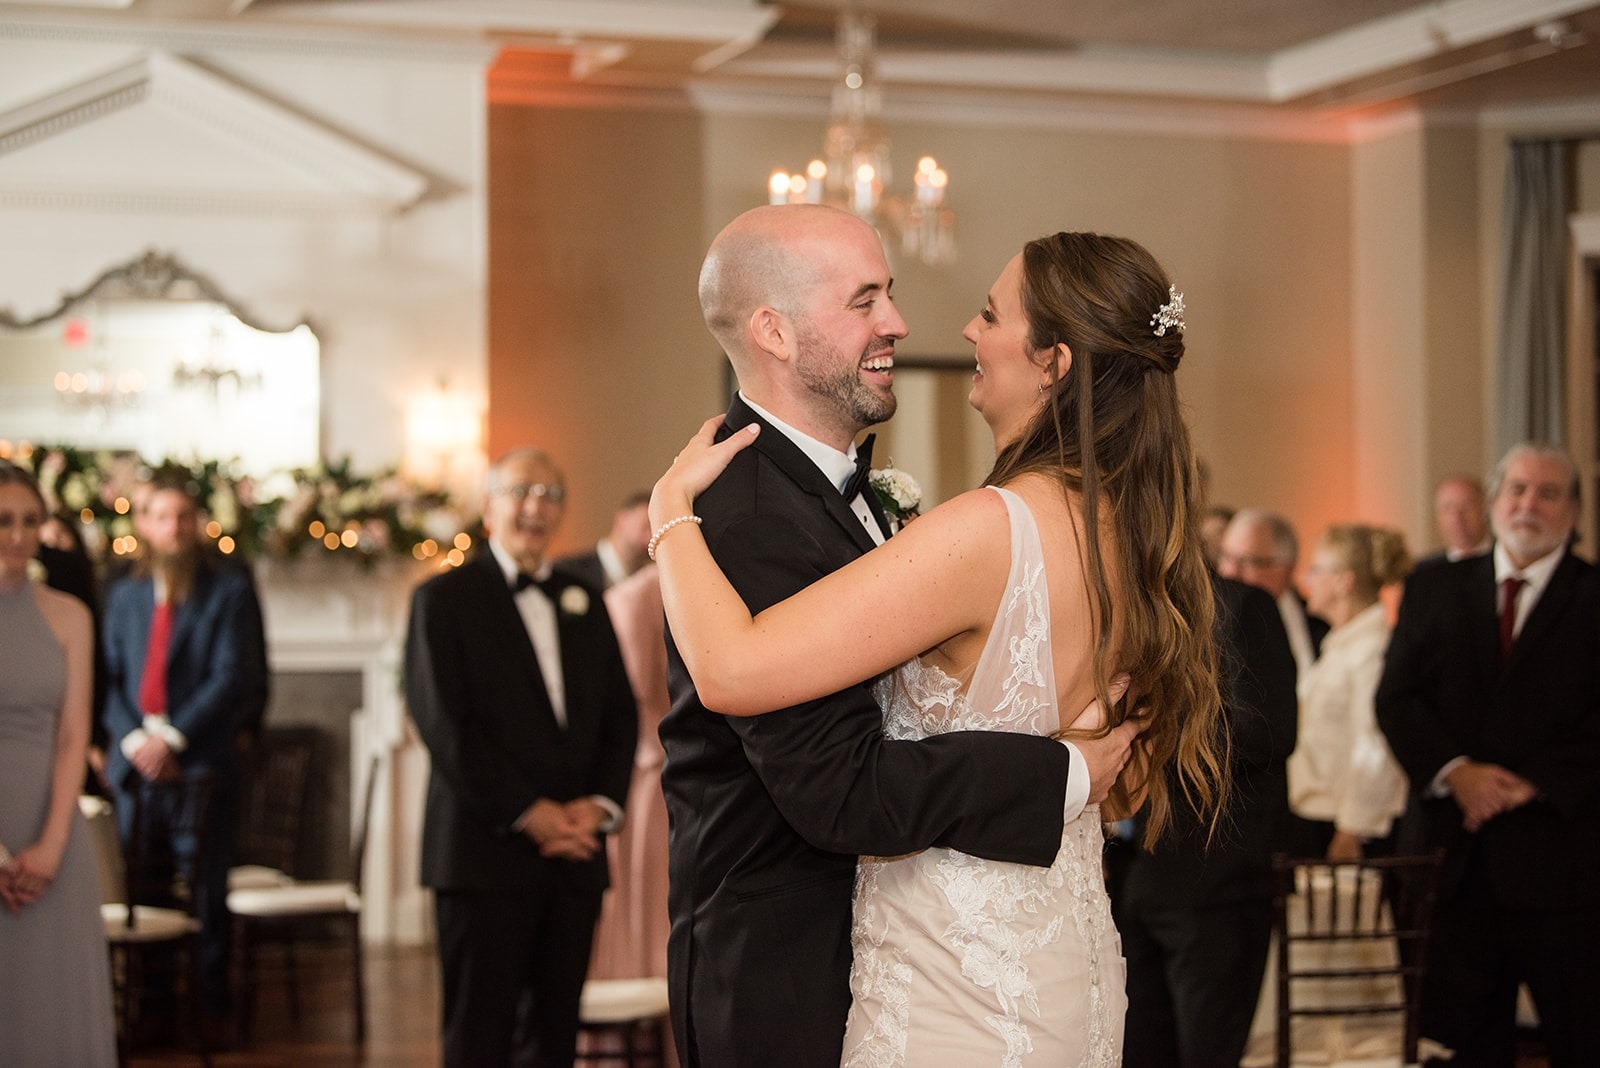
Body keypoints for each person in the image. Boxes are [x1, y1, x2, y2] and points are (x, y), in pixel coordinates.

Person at [653, 216, 1225, 1065]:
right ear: (772, 329)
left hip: (956, 976)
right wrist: (1068, 770)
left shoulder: (983, 528)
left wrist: (666, 516)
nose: (923, 325)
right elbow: (1126, 777)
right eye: (866, 299)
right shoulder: (1135, 530)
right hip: (1009, 957)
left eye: (991, 316)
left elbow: (735, 670)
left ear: (1054, 364)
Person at [405, 447, 638, 1068]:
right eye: (521, 491)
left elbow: (621, 714)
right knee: (479, 1035)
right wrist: (526, 812)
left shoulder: (582, 597)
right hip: (482, 855)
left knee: (555, 1035)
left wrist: (598, 806)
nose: (537, 506)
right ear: (489, 507)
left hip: (575, 856)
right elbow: (446, 728)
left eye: (552, 494)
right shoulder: (442, 601)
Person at [1376, 443, 1600, 1066]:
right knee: (1458, 1048)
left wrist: (1530, 784)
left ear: (1575, 510)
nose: (1529, 504)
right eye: (1517, 490)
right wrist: (1459, 774)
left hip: (1565, 870)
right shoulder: (1432, 586)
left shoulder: (1592, 594)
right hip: (1452, 871)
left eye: (1548, 493)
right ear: (1496, 499)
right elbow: (1397, 698)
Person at [1114, 572, 1297, 1067]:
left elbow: (1270, 731)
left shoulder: (1242, 605)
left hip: (1214, 877)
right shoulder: (1120, 603)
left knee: (1208, 1051)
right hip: (1135, 880)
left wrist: (1154, 724)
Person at [101, 473, 256, 1031]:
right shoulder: (122, 595)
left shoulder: (227, 589)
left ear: (198, 524)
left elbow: (230, 675)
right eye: (162, 517)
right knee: (137, 887)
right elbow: (110, 677)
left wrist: (171, 738)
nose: (173, 529)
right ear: (144, 524)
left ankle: (210, 1007)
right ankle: (150, 1003)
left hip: (199, 765)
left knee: (207, 890)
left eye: (184, 518)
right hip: (134, 769)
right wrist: (137, 740)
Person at [0, 461, 117, 1065]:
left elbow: (75, 734)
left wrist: (49, 846)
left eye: (29, 520)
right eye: (3, 521)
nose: (17, 535)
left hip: (53, 838)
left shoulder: (71, 615)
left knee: (53, 1015)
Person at [1288, 523, 1412, 860]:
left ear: (1344, 581)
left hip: (1352, 825)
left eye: (1316, 569)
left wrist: (1351, 830)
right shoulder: (1342, 644)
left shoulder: (1371, 649)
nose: (1306, 580)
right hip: (1322, 814)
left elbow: (1375, 744)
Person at [1218, 508, 1329, 678]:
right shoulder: (1213, 619)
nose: (1230, 571)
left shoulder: (1319, 619)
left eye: (1246, 561)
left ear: (1285, 569)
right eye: (1226, 557)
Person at [557, 490, 652, 591]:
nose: (650, 537)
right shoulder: (568, 571)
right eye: (645, 526)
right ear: (623, 519)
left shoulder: (652, 583)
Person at [1414, 474, 1491, 570]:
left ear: (1485, 510)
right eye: (1447, 508)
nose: (1457, 517)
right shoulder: (1421, 571)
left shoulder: (1507, 562)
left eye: (1466, 506)